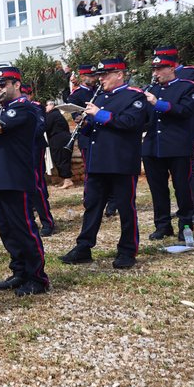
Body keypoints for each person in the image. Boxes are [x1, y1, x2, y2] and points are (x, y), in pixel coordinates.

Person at [0, 66, 49, 295]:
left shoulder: (24, 108)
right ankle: (19, 270)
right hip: (0, 176)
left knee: (24, 228)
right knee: (8, 229)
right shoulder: (5, 110)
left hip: (16, 176)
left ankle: (38, 277)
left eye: (3, 84)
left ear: (16, 84)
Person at [60, 58, 148, 269]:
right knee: (92, 205)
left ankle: (127, 251)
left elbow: (130, 123)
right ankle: (84, 247)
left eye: (106, 75)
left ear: (120, 74)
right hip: (98, 160)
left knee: (126, 208)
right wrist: (85, 122)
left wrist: (99, 115)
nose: (101, 79)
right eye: (99, 75)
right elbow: (94, 129)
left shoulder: (134, 96)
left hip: (121, 161)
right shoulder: (99, 96)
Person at [142, 53, 194, 242]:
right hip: (152, 147)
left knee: (182, 188)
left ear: (171, 68)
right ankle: (163, 225)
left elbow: (185, 111)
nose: (156, 73)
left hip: (177, 146)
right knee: (157, 189)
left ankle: (186, 225)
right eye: (154, 70)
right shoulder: (150, 90)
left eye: (160, 69)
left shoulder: (187, 87)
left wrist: (158, 103)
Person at [154, 45, 194, 224]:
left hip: (186, 128)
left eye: (160, 63)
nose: (157, 69)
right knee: (175, 174)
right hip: (164, 130)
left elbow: (193, 100)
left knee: (191, 168)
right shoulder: (157, 77)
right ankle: (187, 207)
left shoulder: (191, 73)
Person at [21, 85, 56, 237]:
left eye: (25, 94)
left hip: (34, 148)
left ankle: (47, 222)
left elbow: (41, 126)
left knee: (37, 185)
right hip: (19, 149)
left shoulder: (35, 107)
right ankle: (28, 222)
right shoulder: (11, 107)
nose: (23, 96)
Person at [44, 101, 74, 188]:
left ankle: (68, 180)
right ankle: (64, 179)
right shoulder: (55, 114)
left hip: (59, 139)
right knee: (59, 158)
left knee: (62, 158)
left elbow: (46, 126)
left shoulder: (53, 115)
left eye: (46, 105)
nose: (45, 107)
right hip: (59, 138)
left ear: (51, 105)